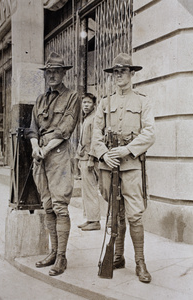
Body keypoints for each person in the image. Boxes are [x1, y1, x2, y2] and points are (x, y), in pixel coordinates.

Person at [92, 53, 155, 283]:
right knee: (113, 213)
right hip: (108, 167)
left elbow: (149, 133)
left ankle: (140, 261)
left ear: (132, 74)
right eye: (116, 72)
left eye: (123, 72)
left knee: (135, 214)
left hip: (130, 166)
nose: (119, 76)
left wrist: (127, 150)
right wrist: (104, 154)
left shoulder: (142, 101)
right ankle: (117, 256)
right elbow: (95, 134)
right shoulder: (105, 102)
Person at [28, 52, 80, 276]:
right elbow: (32, 128)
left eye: (56, 71)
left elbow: (66, 129)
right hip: (40, 156)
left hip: (58, 155)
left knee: (60, 206)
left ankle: (61, 257)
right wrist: (35, 148)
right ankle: (52, 251)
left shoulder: (72, 97)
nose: (52, 75)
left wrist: (46, 149)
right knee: (47, 206)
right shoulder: (40, 99)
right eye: (49, 72)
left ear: (63, 73)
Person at [76, 93, 101, 231]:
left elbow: (94, 140)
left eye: (88, 103)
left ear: (94, 104)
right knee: (86, 190)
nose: (86, 105)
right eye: (84, 102)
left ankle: (95, 221)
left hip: (90, 159)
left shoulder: (95, 119)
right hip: (83, 158)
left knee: (91, 190)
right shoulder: (86, 119)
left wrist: (91, 158)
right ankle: (90, 218)